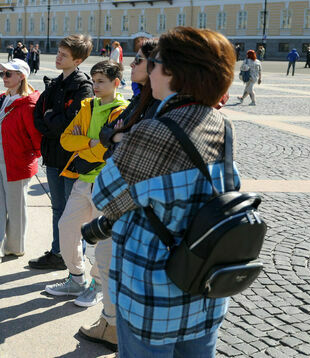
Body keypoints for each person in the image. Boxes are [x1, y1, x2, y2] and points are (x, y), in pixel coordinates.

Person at [92, 26, 238, 356]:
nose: (148, 70)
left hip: (154, 291)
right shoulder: (221, 123)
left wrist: (124, 145)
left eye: (154, 62)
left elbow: (105, 197)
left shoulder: (153, 131)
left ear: (172, 72)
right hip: (204, 283)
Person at [78, 39, 161, 349]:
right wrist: (116, 135)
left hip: (130, 201)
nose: (132, 65)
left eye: (138, 60)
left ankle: (113, 326)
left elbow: (124, 143)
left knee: (107, 257)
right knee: (105, 257)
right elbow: (108, 134)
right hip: (123, 197)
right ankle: (111, 322)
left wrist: (118, 136)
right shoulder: (142, 99)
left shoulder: (154, 104)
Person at [44, 61, 127, 311]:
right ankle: (77, 278)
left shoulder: (121, 111)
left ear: (116, 83)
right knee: (66, 225)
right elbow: (67, 140)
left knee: (104, 239)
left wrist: (89, 147)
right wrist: (92, 142)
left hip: (108, 182)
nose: (95, 85)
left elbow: (108, 151)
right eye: (93, 80)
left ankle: (99, 285)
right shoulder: (88, 106)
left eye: (101, 81)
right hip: (83, 181)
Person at [30, 35, 94, 270]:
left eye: (63, 55)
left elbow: (72, 124)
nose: (58, 57)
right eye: (58, 52)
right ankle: (58, 253)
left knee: (73, 213)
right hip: (54, 155)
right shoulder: (55, 83)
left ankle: (75, 262)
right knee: (58, 208)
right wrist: (50, 122)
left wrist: (50, 121)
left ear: (77, 59)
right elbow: (38, 116)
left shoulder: (83, 86)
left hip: (72, 160)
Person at [0, 59, 42, 270]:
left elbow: (36, 137)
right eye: (3, 74)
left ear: (22, 76)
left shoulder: (28, 104)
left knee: (16, 208)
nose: (4, 77)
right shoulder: (2, 99)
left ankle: (15, 246)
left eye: (9, 74)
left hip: (17, 162)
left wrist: (33, 157)